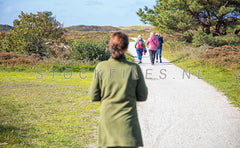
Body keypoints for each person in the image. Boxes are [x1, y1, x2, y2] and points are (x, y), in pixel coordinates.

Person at [89, 32, 148, 148]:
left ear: (110, 47)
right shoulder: (134, 68)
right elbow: (143, 95)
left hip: (108, 120)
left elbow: (93, 96)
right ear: (126, 48)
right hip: (128, 122)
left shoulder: (101, 67)